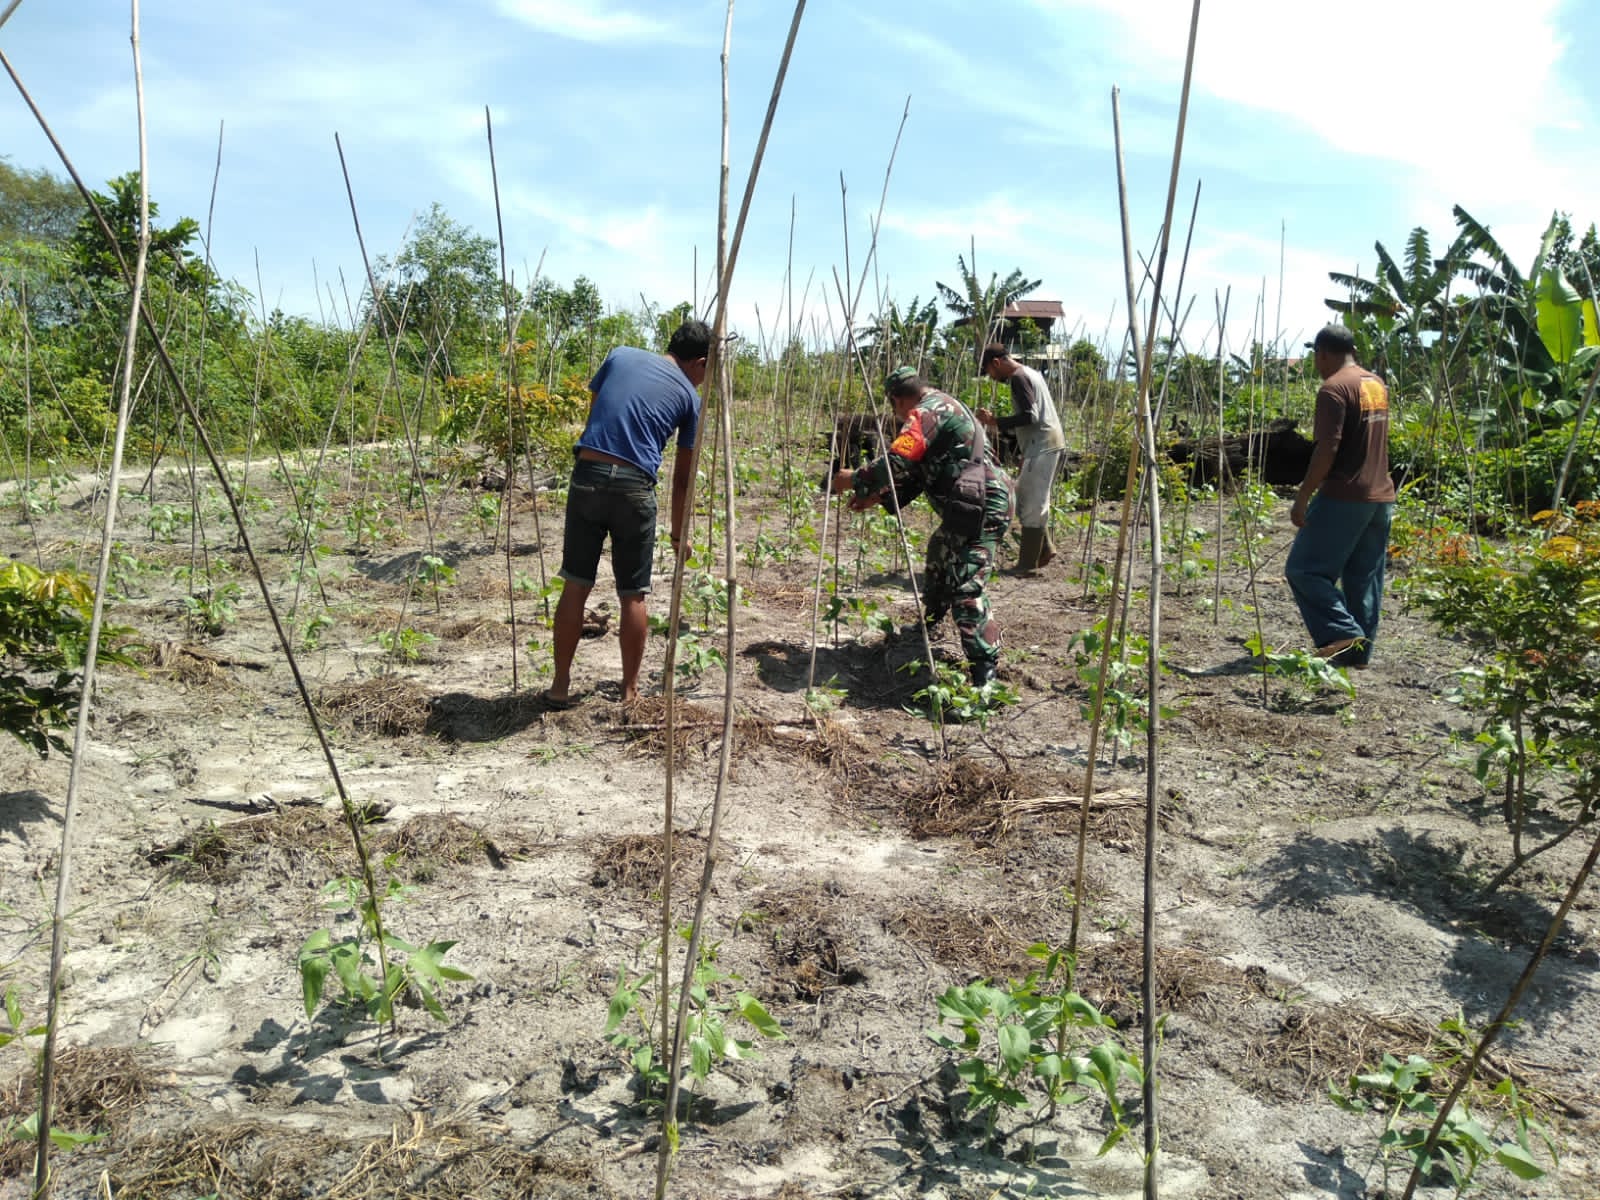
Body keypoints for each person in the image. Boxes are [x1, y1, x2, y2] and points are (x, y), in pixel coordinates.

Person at [545, 319, 711, 707]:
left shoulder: (620, 355)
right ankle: (630, 691)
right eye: (709, 370)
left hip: (586, 476)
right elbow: (683, 479)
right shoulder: (690, 397)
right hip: (634, 488)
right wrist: (678, 533)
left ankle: (559, 686)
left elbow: (597, 416)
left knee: (575, 584)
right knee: (632, 596)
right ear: (700, 363)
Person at [829, 366, 1015, 687]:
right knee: (940, 550)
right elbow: (915, 475)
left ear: (897, 400)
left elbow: (898, 459)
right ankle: (931, 621)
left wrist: (852, 479)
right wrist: (878, 498)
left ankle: (985, 675)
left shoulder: (926, 412)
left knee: (966, 585)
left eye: (893, 406)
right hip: (977, 500)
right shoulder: (941, 407)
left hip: (983, 503)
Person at [1285, 323, 1396, 668]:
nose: (1316, 365)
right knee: (1363, 578)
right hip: (1380, 497)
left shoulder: (1333, 389)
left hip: (1345, 496)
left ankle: (1342, 633)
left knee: (1304, 570)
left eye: (1316, 357)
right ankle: (1358, 656)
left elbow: (1327, 449)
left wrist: (1303, 496)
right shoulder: (1375, 384)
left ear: (1323, 353)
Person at [977, 343, 1067, 573]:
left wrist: (995, 421)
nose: (991, 377)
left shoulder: (1018, 377)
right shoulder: (1030, 373)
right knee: (1023, 498)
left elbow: (1030, 416)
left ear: (996, 363)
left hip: (1043, 445)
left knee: (1031, 504)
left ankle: (1027, 565)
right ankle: (1044, 549)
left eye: (989, 371)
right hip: (1041, 444)